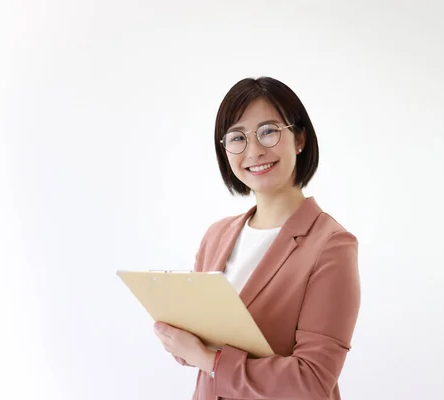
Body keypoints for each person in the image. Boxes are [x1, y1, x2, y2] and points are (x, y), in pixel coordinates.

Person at [153, 76, 361, 400]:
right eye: (237, 137)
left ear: (300, 138)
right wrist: (178, 338)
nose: (254, 151)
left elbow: (313, 381)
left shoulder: (331, 246)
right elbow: (199, 346)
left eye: (268, 131)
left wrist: (209, 360)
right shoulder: (217, 235)